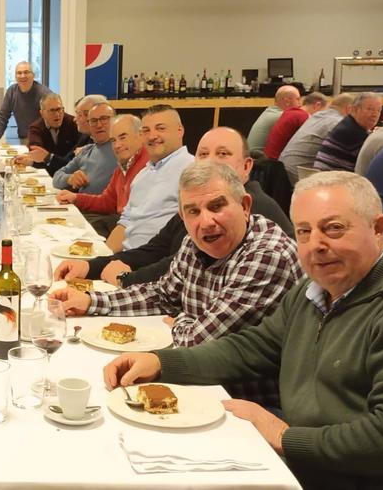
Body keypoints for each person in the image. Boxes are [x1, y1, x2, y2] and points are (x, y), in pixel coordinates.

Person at [101, 172, 383, 489]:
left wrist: (282, 435)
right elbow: (248, 348)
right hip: (321, 461)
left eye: (333, 229)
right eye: (304, 232)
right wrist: (159, 362)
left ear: (379, 229)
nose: (316, 245)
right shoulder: (316, 293)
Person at [52, 161, 301, 406]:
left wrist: (180, 317)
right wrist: (92, 301)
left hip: (247, 400)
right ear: (182, 216)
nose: (206, 221)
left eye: (217, 206)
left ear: (245, 206)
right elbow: (161, 295)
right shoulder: (195, 244)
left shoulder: (267, 256)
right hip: (199, 383)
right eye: (193, 211)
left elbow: (199, 342)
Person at [59, 126, 293, 287]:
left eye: (223, 154)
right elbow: (156, 250)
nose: (210, 161)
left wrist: (125, 278)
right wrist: (89, 267)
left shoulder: (252, 209)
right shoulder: (198, 202)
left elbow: (175, 267)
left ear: (246, 165)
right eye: (203, 154)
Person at [106, 104, 195, 252]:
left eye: (160, 128)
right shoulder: (142, 175)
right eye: (146, 130)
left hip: (153, 263)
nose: (152, 136)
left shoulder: (191, 170)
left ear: (180, 130)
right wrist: (103, 258)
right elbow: (125, 222)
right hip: (126, 256)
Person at [56, 114, 148, 237]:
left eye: (123, 137)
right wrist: (75, 198)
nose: (117, 145)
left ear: (140, 136)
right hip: (120, 224)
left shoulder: (149, 166)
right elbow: (107, 201)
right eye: (114, 140)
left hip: (133, 231)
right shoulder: (122, 166)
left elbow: (137, 219)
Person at [280, 93, 353, 183]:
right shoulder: (338, 122)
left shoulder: (316, 116)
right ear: (349, 109)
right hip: (298, 177)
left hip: (283, 171)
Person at [51, 102, 118, 195]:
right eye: (93, 120)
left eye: (104, 119)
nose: (98, 125)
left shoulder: (122, 149)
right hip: (81, 205)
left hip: (105, 207)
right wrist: (70, 178)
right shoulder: (86, 151)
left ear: (115, 120)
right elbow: (57, 178)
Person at [312, 92, 383, 173]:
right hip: (332, 181)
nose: (375, 114)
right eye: (370, 109)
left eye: (379, 110)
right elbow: (373, 163)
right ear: (354, 109)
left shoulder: (348, 123)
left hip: (327, 177)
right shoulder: (352, 132)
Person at [23, 93, 81, 175]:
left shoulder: (74, 124)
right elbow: (37, 155)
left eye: (59, 109)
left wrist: (47, 157)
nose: (57, 114)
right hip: (48, 173)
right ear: (42, 113)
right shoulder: (35, 128)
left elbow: (76, 161)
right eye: (52, 110)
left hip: (71, 174)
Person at [0, 61, 52, 141]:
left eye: (26, 72)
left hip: (43, 139)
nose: (22, 76)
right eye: (19, 73)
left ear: (33, 75)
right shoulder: (12, 92)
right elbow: (2, 118)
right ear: (15, 76)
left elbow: (54, 118)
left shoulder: (44, 94)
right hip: (23, 138)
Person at [263, 92, 326, 160]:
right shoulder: (303, 117)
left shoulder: (290, 111)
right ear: (317, 105)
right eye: (323, 112)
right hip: (278, 163)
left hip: (268, 159)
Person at [246, 85, 300, 152]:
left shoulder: (271, 111)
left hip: (254, 157)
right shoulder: (281, 116)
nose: (299, 104)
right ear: (287, 101)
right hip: (259, 159)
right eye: (297, 99)